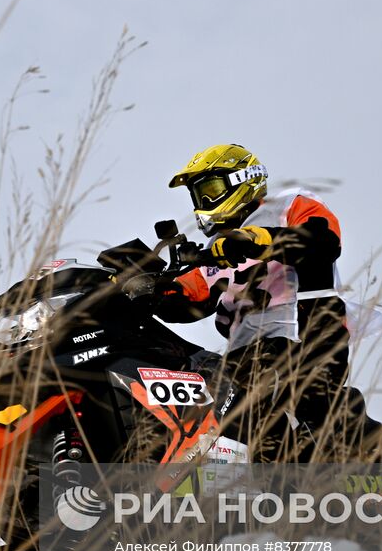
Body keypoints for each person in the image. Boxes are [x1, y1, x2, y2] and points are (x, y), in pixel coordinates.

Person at [156, 143, 368, 463]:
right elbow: (190, 295)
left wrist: (262, 239)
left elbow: (323, 240)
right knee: (216, 413)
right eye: (199, 193)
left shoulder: (289, 206)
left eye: (211, 188)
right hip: (246, 356)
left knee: (294, 420)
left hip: (302, 335)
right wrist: (140, 284)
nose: (204, 201)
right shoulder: (218, 248)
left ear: (243, 179)